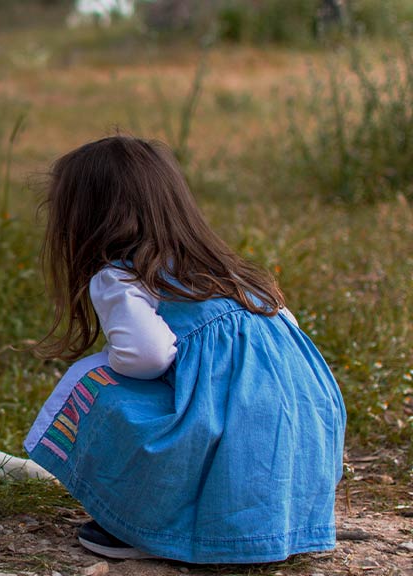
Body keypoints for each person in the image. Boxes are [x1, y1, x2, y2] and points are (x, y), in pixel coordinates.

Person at [24, 136, 345, 563]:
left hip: (229, 437)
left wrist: (114, 363)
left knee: (95, 381)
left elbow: (148, 356)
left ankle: (146, 524)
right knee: (228, 407)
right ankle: (269, 522)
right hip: (302, 437)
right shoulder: (231, 274)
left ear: (87, 220)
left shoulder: (121, 277)